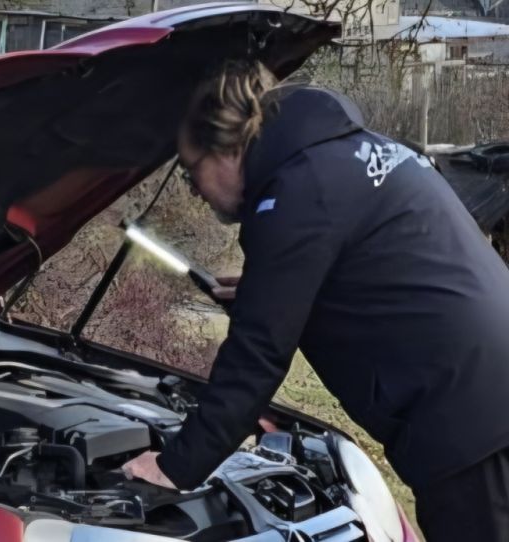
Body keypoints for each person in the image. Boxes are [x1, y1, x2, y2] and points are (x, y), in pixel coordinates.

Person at [121, 60, 509, 541]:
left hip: (471, 428)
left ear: (225, 148)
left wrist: (176, 466)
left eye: (189, 172)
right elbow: (381, 271)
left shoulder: (296, 193)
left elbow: (256, 357)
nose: (195, 192)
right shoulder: (346, 153)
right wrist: (275, 290)